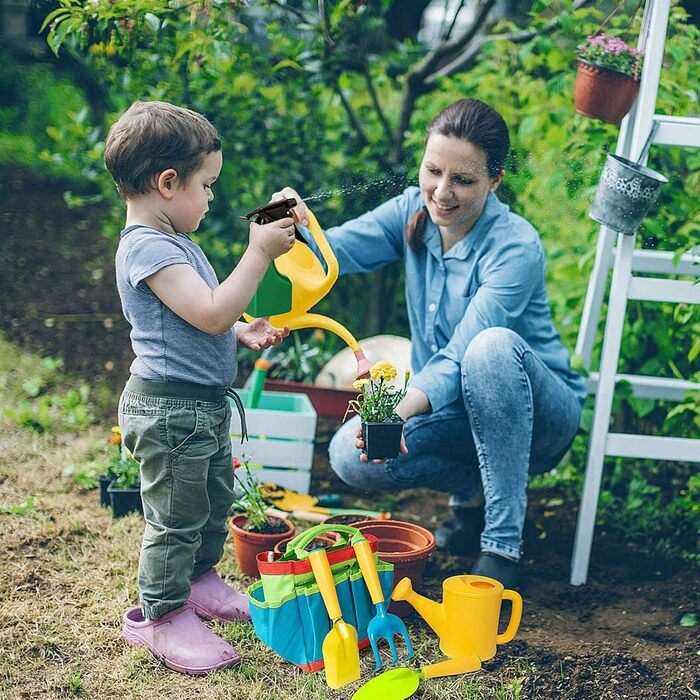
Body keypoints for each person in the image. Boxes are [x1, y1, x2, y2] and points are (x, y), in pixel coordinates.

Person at [275, 98, 586, 591]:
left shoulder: (514, 246)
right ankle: (475, 496)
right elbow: (334, 252)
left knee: (489, 347)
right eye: (433, 171)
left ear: (495, 180)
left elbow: (463, 354)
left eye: (463, 180)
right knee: (350, 456)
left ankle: (502, 542)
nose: (442, 192)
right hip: (456, 415)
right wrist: (294, 229)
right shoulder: (411, 211)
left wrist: (399, 411)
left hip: (538, 417)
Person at [106, 100, 295, 675]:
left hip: (200, 408)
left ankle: (198, 580)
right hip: (169, 412)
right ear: (168, 183)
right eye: (206, 185)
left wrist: (240, 331)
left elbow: (200, 320)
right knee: (174, 516)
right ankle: (160, 616)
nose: (212, 197)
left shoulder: (174, 241)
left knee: (213, 502)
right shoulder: (147, 247)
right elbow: (208, 313)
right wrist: (259, 254)